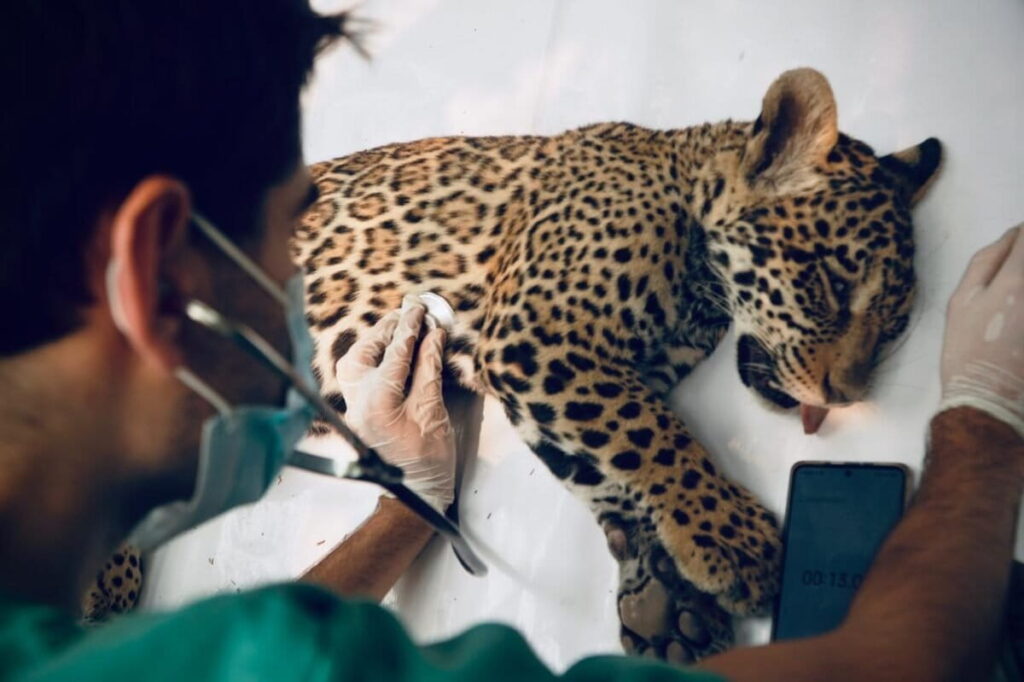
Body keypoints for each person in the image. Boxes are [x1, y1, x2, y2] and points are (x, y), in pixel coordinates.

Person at [0, 1, 1021, 681]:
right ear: (156, 271)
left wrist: (418, 508)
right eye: (289, 236)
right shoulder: (628, 184)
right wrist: (985, 411)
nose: (300, 277)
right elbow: (532, 351)